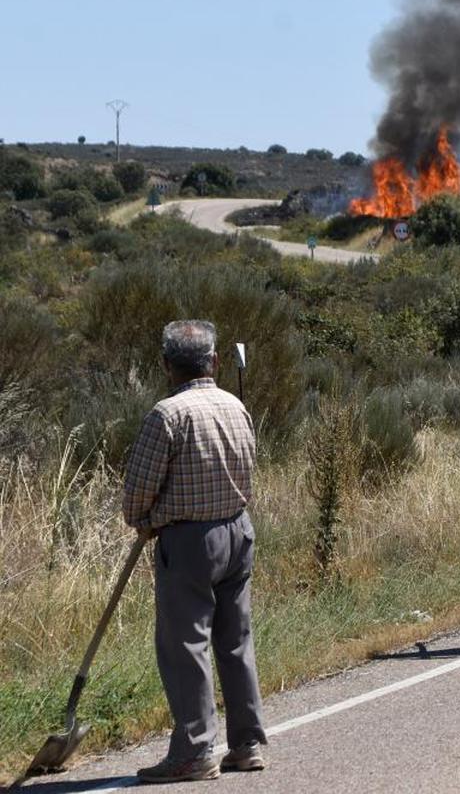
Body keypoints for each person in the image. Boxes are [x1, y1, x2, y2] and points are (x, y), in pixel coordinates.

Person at [123, 320, 267, 783]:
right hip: (238, 532)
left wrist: (148, 519)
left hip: (188, 542)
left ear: (167, 366)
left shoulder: (167, 414)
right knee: (235, 640)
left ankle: (194, 751)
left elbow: (136, 496)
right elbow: (249, 470)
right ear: (215, 362)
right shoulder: (235, 406)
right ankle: (245, 744)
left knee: (186, 646)